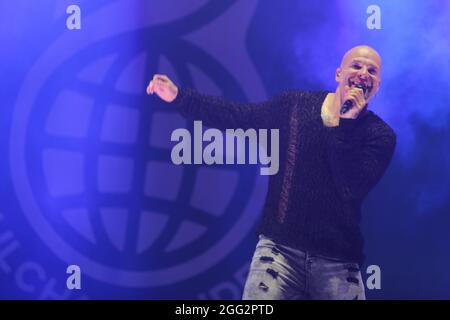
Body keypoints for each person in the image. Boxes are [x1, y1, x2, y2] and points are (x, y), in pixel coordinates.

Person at [146, 45, 396, 300]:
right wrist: (180, 97)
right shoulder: (295, 106)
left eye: (372, 71)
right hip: (279, 252)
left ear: (377, 85)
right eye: (356, 66)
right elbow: (237, 116)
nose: (363, 73)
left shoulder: (379, 135)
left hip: (338, 262)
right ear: (338, 74)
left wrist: (346, 125)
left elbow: (350, 187)